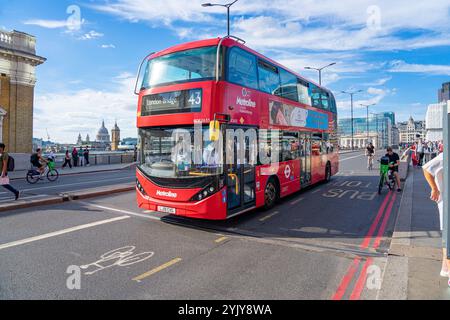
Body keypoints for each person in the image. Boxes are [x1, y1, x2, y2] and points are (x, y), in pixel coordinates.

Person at [422, 150, 450, 285]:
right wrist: (434, 189)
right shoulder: (445, 156)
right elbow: (426, 168)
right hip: (446, 202)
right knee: (448, 237)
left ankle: (445, 268)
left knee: (447, 237)